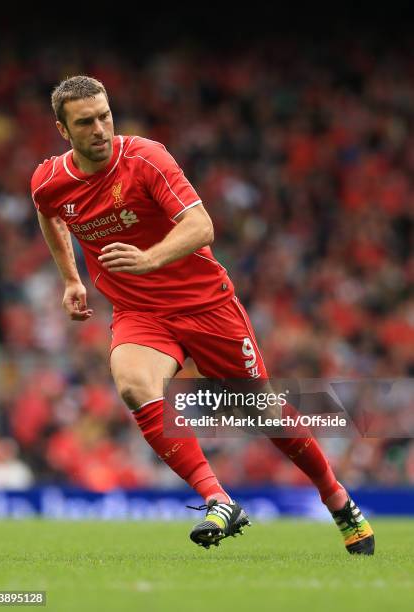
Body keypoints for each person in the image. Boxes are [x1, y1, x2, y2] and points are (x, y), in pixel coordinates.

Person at [31, 75, 374, 554]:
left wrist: (150, 259)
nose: (101, 130)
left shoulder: (146, 158)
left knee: (265, 412)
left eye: (105, 116)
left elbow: (201, 225)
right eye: (85, 122)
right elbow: (49, 211)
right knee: (133, 384)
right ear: (63, 131)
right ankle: (218, 499)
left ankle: (336, 498)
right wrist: (71, 278)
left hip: (206, 305)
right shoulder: (50, 180)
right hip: (140, 311)